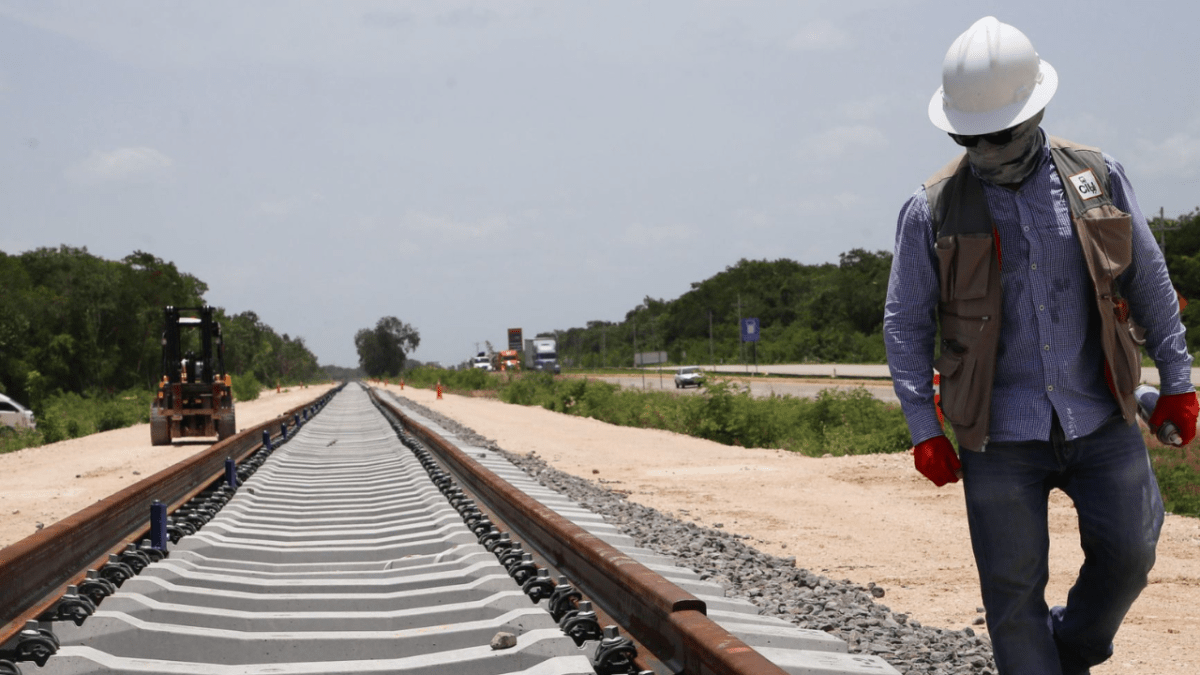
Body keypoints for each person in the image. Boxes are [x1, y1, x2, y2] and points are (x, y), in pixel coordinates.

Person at [883, 16, 1198, 675]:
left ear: (1035, 113)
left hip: (1100, 414)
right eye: (974, 138)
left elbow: (1149, 278)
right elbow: (905, 325)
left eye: (1001, 133)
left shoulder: (1096, 179)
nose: (990, 148)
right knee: (1012, 594)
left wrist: (1179, 379)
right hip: (998, 435)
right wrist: (923, 427)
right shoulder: (932, 209)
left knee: (1134, 549)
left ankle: (1071, 650)